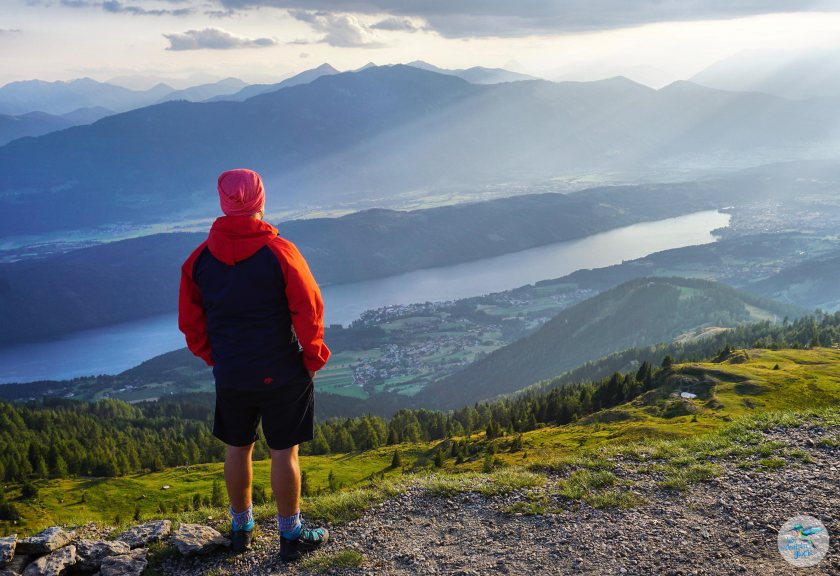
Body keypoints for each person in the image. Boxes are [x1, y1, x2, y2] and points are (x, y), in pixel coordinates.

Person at [178, 168, 331, 560]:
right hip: (282, 370)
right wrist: (312, 357)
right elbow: (309, 309)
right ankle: (291, 536)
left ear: (222, 202)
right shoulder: (281, 252)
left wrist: (216, 358)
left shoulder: (198, 261)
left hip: (232, 373)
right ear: (261, 200)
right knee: (284, 453)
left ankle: (241, 529)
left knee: (237, 448)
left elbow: (191, 324)